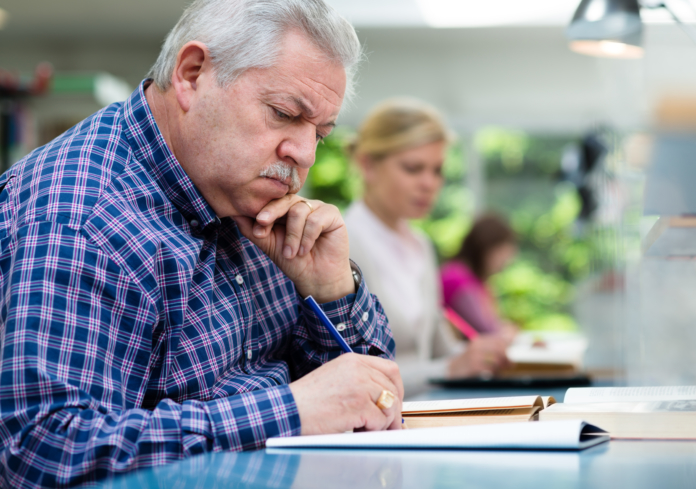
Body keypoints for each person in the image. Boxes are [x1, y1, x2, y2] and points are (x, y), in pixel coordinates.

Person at [0, 1, 404, 487]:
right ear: (192, 75)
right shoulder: (85, 214)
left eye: (319, 133)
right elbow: (42, 449)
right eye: (283, 114)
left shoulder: (245, 196)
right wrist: (291, 411)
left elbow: (370, 399)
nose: (303, 154)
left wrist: (333, 290)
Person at [344, 98, 510, 396]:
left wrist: (482, 353)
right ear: (367, 164)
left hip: (425, 416)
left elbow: (442, 349)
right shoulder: (341, 245)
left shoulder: (420, 246)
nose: (429, 183)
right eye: (413, 168)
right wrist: (447, 369)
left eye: (437, 171)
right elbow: (352, 375)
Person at [441, 214, 518, 335]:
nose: (506, 261)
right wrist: (506, 331)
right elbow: (487, 330)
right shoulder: (457, 277)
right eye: (501, 253)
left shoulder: (477, 280)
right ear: (485, 247)